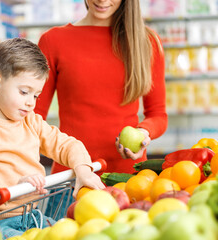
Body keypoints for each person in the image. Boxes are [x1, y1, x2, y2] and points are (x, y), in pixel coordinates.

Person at [0, 38, 104, 240]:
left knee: (72, 233)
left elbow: (67, 145)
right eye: (24, 92)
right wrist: (12, 188)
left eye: (36, 96)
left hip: (30, 216)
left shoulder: (32, 123)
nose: (31, 103)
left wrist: (82, 168)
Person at [35, 0, 168, 175]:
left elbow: (158, 114)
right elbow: (34, 117)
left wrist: (143, 133)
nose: (102, 0)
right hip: (70, 177)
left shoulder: (146, 42)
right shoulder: (52, 41)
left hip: (129, 180)